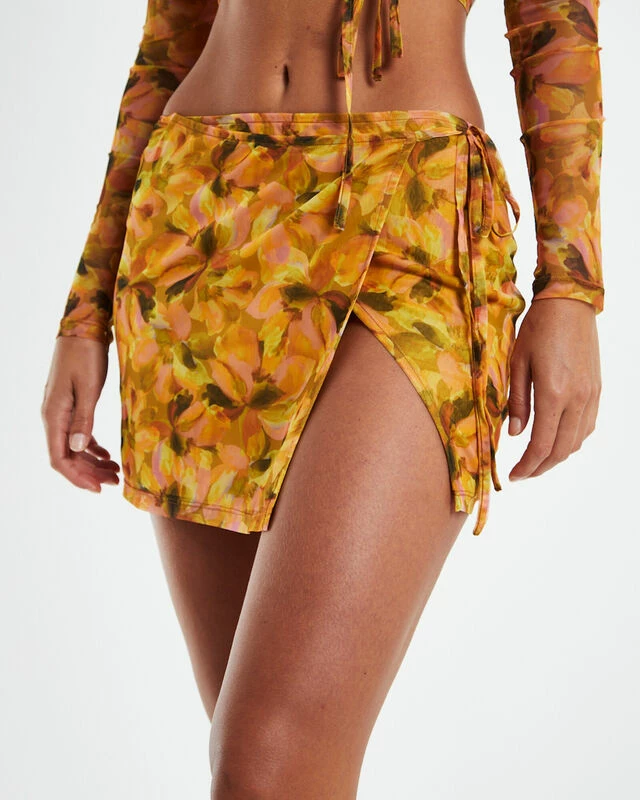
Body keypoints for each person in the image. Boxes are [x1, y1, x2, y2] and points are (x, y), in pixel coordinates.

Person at [41, 0, 604, 796]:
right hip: (198, 219)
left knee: (267, 762)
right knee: (265, 777)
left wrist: (571, 285)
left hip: (409, 208)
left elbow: (556, 25)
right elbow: (171, 37)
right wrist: (86, 311)